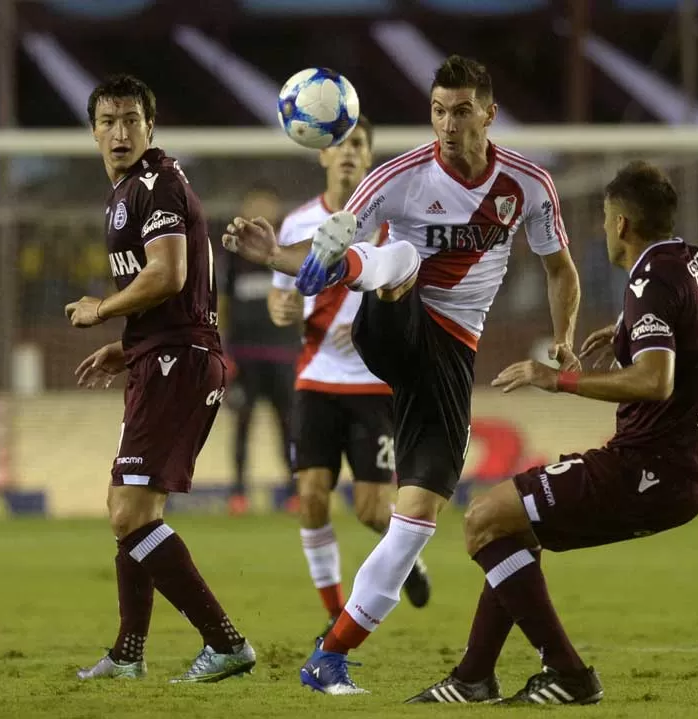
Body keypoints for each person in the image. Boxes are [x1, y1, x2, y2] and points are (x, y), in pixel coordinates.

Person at [222, 55, 582, 694]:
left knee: (412, 523)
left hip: (447, 363)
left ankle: (329, 656)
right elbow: (341, 230)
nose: (447, 123)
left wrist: (565, 340)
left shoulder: (528, 185)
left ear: (489, 113)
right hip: (391, 321)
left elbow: (560, 270)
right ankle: (339, 273)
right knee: (404, 254)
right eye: (438, 110)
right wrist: (283, 256)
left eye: (462, 110)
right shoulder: (398, 177)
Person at [407, 160, 698, 704]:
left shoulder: (648, 278)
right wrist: (636, 326)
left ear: (620, 224)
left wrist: (559, 379)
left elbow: (655, 381)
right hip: (683, 471)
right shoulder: (695, 263)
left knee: (482, 520)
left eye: (602, 218)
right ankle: (473, 677)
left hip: (646, 467)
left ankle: (569, 675)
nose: (601, 228)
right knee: (510, 526)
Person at [66, 74, 255, 683]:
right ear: (94, 130)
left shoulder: (156, 184)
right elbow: (178, 290)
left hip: (179, 362)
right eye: (108, 121)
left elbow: (168, 274)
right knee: (129, 507)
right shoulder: (129, 189)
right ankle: (127, 654)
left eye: (130, 120)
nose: (119, 132)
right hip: (160, 355)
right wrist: (130, 346)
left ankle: (225, 643)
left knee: (129, 512)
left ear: (151, 126)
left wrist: (105, 308)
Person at [267, 116, 431, 639]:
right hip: (315, 379)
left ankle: (408, 557)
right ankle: (333, 612)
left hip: (373, 384)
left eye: (357, 144)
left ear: (369, 157)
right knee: (312, 496)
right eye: (337, 143)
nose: (346, 152)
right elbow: (280, 299)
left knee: (371, 509)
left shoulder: (391, 223)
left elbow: (410, 290)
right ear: (321, 154)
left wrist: (367, 328)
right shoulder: (295, 226)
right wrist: (284, 308)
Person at [220, 183, 299, 514]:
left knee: (289, 424)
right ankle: (238, 492)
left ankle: (295, 492)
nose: (261, 208)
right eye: (255, 202)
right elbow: (223, 302)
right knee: (242, 423)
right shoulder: (233, 254)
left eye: (267, 202)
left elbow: (304, 299)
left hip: (283, 354)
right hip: (245, 356)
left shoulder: (291, 251)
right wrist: (223, 349)